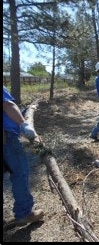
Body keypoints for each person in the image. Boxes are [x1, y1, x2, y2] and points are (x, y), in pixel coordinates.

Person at [3, 85, 44, 226]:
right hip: (7, 139)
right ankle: (24, 213)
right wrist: (23, 123)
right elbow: (7, 105)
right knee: (20, 173)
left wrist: (25, 111)